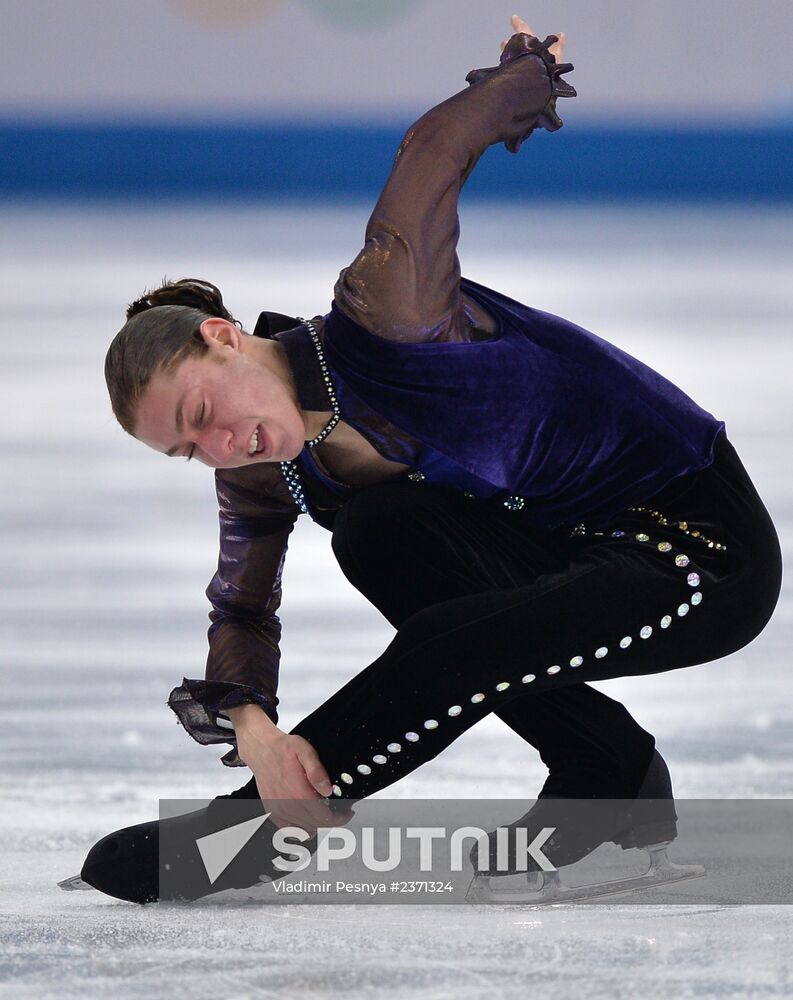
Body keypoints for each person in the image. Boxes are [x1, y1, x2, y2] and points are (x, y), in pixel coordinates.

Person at [92, 15, 781, 900]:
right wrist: (256, 729)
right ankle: (606, 776)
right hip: (568, 559)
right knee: (379, 534)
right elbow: (242, 605)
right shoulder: (263, 465)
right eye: (191, 450)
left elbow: (435, 149)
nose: (221, 447)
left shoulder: (388, 313)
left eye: (202, 413)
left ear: (224, 338)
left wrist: (523, 78)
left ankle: (260, 835)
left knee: (457, 642)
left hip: (696, 549)